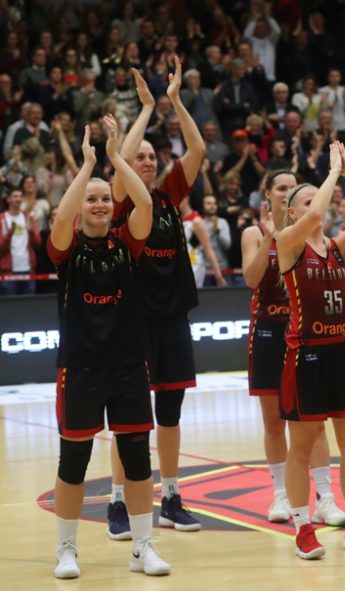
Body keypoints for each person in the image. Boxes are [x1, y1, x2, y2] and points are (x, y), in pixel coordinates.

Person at [51, 118, 170, 578]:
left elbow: (141, 199)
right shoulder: (66, 247)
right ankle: (66, 549)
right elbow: (62, 217)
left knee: (138, 460)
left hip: (127, 368)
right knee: (74, 460)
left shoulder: (127, 242)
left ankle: (143, 547)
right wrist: (86, 166)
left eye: (105, 198)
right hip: (80, 369)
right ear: (82, 207)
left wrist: (117, 158)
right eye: (92, 199)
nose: (100, 204)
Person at [106, 62, 206, 539]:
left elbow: (199, 148)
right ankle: (119, 501)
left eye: (151, 156)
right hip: (134, 322)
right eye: (139, 157)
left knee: (170, 414)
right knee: (131, 416)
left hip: (172, 320)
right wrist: (146, 108)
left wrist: (177, 100)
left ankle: (171, 496)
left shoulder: (168, 196)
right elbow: (121, 160)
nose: (146, 161)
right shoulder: (124, 203)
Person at [275, 141, 345, 559]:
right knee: (301, 448)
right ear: (294, 212)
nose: (315, 204)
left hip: (340, 352)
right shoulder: (289, 243)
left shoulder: (338, 248)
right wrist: (331, 172)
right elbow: (318, 212)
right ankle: (303, 528)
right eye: (304, 200)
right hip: (305, 356)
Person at [240, 169, 345, 527]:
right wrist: (270, 238)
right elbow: (252, 279)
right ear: (268, 194)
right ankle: (280, 494)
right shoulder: (254, 233)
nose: (287, 193)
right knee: (274, 422)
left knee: (314, 423)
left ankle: (326, 498)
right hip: (270, 330)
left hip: (305, 334)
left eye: (292, 188)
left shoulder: (313, 235)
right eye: (280, 188)